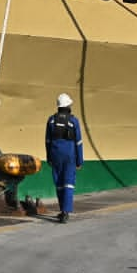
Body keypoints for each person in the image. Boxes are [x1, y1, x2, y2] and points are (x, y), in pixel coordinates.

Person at [44, 93, 84, 223]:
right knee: (68, 183)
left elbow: (48, 141)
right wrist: (80, 161)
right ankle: (66, 212)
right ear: (68, 105)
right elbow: (78, 142)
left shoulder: (51, 120)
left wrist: (49, 157)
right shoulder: (73, 121)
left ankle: (62, 211)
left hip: (55, 154)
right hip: (70, 155)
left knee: (59, 183)